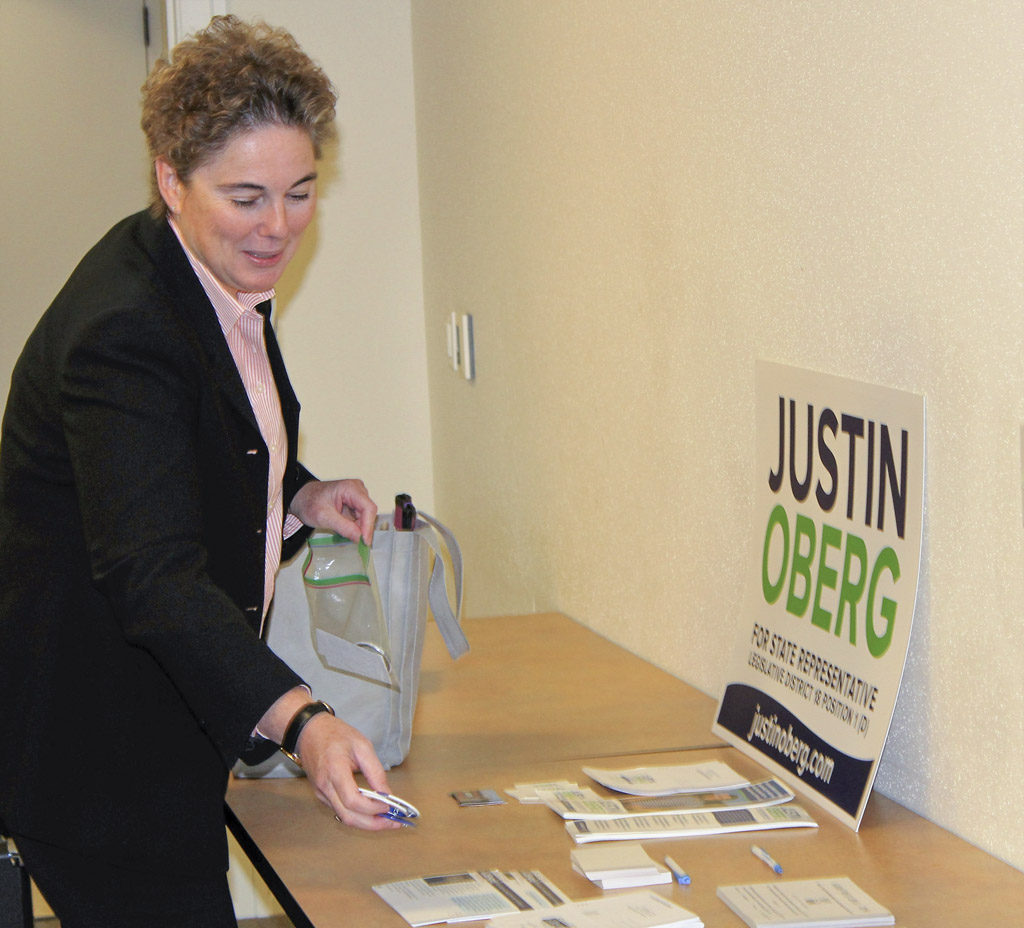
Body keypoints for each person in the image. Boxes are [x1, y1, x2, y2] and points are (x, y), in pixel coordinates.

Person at [0, 16, 401, 927]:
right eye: (247, 196)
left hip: (162, 730)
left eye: (300, 193)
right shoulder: (126, 329)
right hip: (99, 760)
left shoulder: (207, 273)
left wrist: (297, 492)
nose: (278, 228)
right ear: (171, 180)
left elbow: (212, 436)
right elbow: (150, 573)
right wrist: (303, 721)